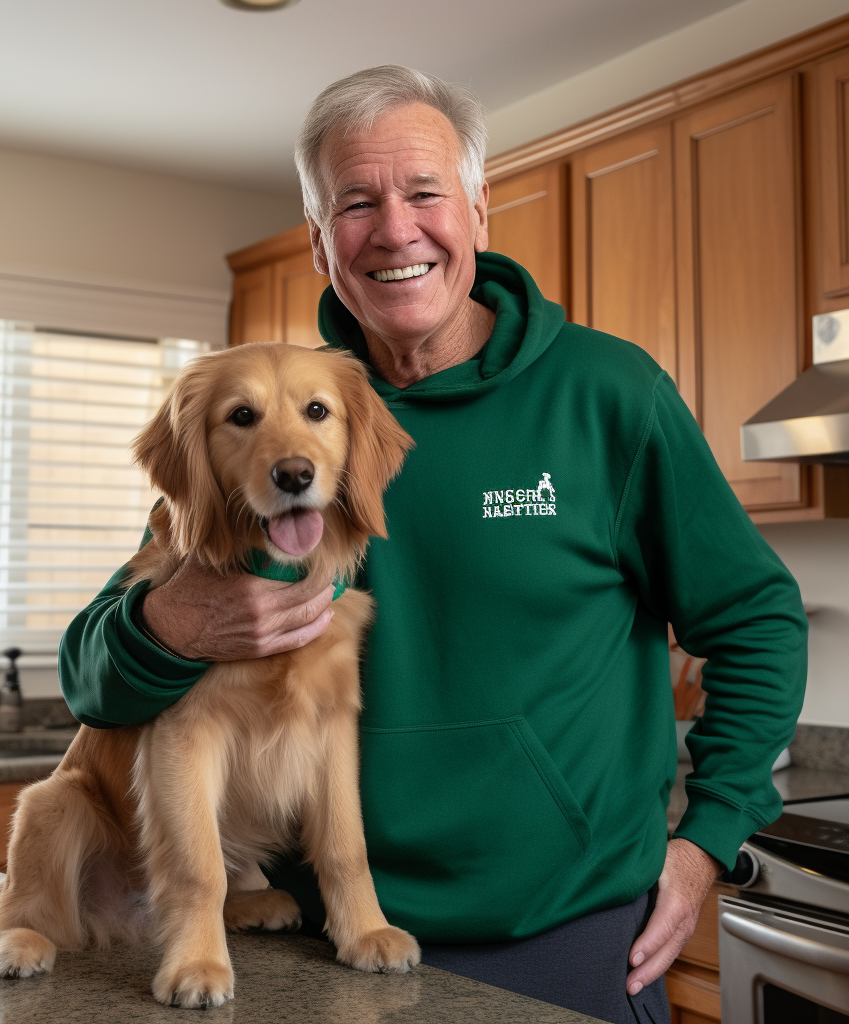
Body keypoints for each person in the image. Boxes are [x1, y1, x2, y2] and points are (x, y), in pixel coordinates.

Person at [59, 66, 807, 1022]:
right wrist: (169, 625)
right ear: (323, 241)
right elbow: (92, 680)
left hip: (561, 937)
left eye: (424, 192)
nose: (396, 229)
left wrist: (707, 838)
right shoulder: (266, 423)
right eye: (357, 203)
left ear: (479, 209)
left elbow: (757, 621)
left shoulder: (609, 397)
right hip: (310, 935)